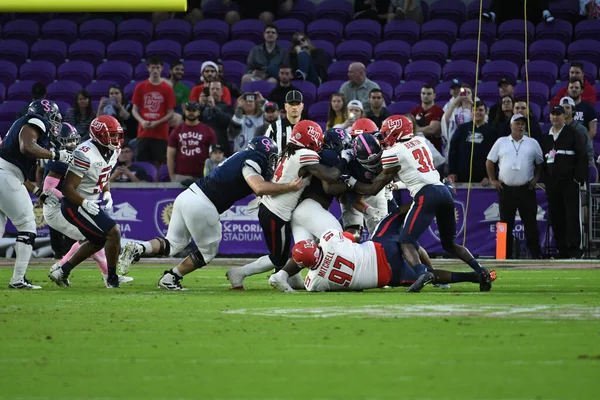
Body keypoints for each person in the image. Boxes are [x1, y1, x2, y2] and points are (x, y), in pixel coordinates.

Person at [117, 137, 304, 290]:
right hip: (204, 203)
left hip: (188, 195)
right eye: (271, 158)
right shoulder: (254, 158)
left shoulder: (241, 155)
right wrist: (288, 186)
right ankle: (171, 278)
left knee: (173, 243)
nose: (272, 163)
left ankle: (139, 248)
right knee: (208, 252)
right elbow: (258, 186)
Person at [340, 115, 494, 292]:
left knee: (406, 240)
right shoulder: (421, 142)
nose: (383, 137)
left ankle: (422, 272)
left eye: (385, 133)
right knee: (450, 244)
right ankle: (481, 271)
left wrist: (350, 181)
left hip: (425, 195)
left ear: (395, 132)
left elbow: (374, 188)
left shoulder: (393, 152)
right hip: (443, 191)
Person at [226, 121, 341, 289]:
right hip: (276, 213)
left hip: (273, 209)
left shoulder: (290, 152)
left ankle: (294, 280)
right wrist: (343, 162)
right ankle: (239, 273)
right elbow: (330, 176)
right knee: (278, 259)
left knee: (285, 253)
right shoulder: (304, 154)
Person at [42, 123, 133, 285]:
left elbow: (102, 173)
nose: (72, 144)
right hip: (58, 206)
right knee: (96, 237)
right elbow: (48, 188)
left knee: (98, 239)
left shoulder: (104, 151)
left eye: (74, 139)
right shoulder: (64, 158)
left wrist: (106, 192)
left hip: (77, 201)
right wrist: (82, 201)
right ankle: (64, 268)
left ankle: (63, 270)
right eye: (67, 140)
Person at [288, 225, 494, 293]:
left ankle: (473, 277)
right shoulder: (328, 239)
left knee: (429, 276)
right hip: (380, 249)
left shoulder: (313, 283)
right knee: (407, 238)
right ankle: (422, 263)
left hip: (386, 277)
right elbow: (353, 237)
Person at [0, 99, 71, 289]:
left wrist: (38, 191)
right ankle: (18, 280)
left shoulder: (20, 125)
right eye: (54, 118)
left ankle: (18, 279)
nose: (55, 124)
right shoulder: (36, 120)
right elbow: (27, 147)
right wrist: (56, 155)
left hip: (6, 173)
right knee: (28, 226)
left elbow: (18, 173)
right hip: (5, 174)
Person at [486, 113, 544, 259]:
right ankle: (504, 256)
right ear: (511, 125)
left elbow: (540, 163)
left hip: (526, 189)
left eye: (523, 123)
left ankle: (535, 255)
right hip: (506, 189)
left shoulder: (532, 142)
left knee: (530, 223)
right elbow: (489, 161)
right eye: (517, 123)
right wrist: (493, 179)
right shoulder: (501, 142)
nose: (521, 126)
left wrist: (536, 178)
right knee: (505, 224)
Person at [541, 105, 588, 259]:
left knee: (572, 216)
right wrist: (546, 180)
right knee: (556, 216)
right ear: (549, 117)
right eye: (553, 114)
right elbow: (543, 160)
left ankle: (575, 250)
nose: (555, 117)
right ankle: (562, 251)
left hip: (569, 183)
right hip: (553, 184)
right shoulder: (546, 137)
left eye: (558, 114)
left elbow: (582, 156)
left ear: (564, 116)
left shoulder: (573, 133)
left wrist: (577, 179)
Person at [131, 56, 176, 172]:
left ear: (161, 69)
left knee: (159, 163)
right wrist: (142, 121)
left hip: (161, 133)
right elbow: (134, 109)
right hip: (143, 131)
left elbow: (171, 113)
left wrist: (157, 122)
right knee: (141, 163)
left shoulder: (167, 88)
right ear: (148, 68)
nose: (155, 70)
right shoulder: (141, 86)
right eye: (153, 67)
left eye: (157, 67)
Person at [448, 101, 497, 184]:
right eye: (475, 110)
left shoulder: (491, 131)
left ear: (486, 112)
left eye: (481, 110)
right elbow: (453, 150)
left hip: (482, 177)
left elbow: (494, 156)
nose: (477, 112)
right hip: (461, 174)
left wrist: (488, 176)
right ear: (471, 112)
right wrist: (452, 171)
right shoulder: (461, 128)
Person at [167, 101, 217, 182]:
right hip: (181, 176)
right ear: (184, 111)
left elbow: (214, 155)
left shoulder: (208, 131)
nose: (191, 113)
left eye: (194, 110)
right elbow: (170, 155)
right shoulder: (176, 131)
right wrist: (172, 176)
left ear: (199, 112)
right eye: (189, 110)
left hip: (202, 176)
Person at [199, 81, 234, 156]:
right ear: (209, 91)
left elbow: (227, 122)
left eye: (217, 89)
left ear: (222, 92)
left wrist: (214, 107)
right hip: (203, 144)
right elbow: (194, 122)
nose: (214, 91)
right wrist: (201, 107)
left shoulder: (227, 107)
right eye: (212, 89)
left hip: (220, 146)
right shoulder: (203, 107)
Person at [442, 85, 474, 160]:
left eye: (468, 93)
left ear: (472, 95)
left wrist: (471, 102)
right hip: (457, 142)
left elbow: (484, 119)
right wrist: (456, 100)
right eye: (463, 93)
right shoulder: (455, 111)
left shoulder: (476, 110)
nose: (465, 95)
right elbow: (445, 120)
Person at [559, 97, 594, 166]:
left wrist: (586, 167)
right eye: (562, 108)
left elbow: (589, 151)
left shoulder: (581, 129)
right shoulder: (555, 128)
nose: (564, 110)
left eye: (567, 107)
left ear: (573, 110)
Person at [409, 84, 444, 152]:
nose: (425, 96)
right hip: (416, 149)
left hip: (433, 150)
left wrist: (415, 129)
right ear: (420, 94)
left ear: (434, 95)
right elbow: (407, 128)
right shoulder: (414, 110)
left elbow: (431, 130)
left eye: (429, 94)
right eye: (423, 93)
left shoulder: (438, 111)